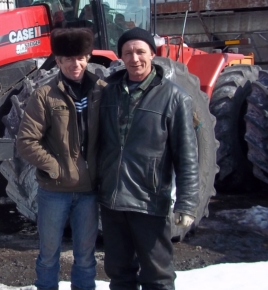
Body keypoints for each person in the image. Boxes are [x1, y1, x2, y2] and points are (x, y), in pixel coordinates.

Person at [97, 27, 199, 290]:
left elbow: (187, 155)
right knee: (119, 275)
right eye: (128, 53)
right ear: (120, 57)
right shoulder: (107, 94)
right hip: (112, 201)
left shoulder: (175, 98)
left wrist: (187, 204)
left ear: (152, 54)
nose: (135, 58)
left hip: (149, 201)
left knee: (158, 276)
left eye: (141, 51)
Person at [17, 28, 106, 290]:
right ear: (58, 61)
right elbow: (26, 142)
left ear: (87, 57)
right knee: (48, 257)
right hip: (54, 192)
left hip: (89, 192)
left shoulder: (102, 91)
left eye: (79, 57)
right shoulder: (44, 95)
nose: (75, 64)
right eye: (68, 59)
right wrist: (55, 168)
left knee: (86, 258)